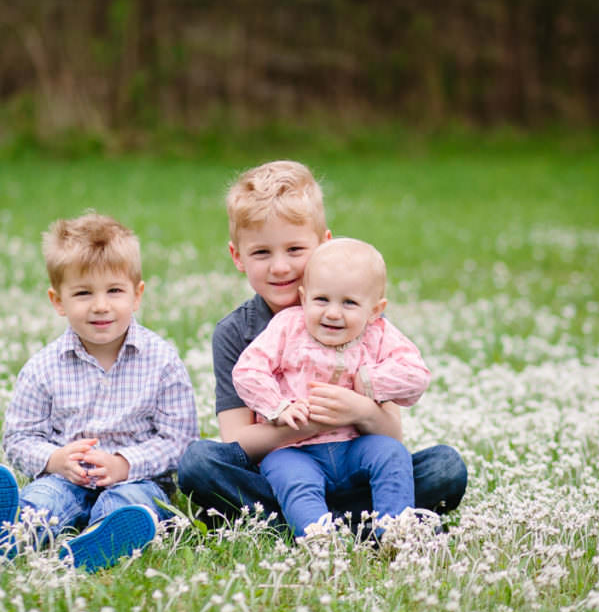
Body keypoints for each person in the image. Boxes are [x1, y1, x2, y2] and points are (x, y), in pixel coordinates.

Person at [177, 160, 467, 534]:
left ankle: (312, 521)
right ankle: (342, 519)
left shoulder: (359, 319)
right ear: (238, 257)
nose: (280, 267)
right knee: (199, 464)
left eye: (295, 249)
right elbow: (237, 443)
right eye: (262, 253)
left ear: (323, 245)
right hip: (280, 470)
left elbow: (391, 434)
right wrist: (301, 422)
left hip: (356, 466)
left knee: (445, 468)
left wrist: (358, 409)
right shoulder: (236, 332)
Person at [0, 212, 199, 572]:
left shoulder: (162, 361)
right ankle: (8, 535)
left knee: (128, 504)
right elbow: (19, 437)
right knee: (43, 500)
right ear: (58, 300)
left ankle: (102, 538)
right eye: (83, 293)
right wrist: (56, 460)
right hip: (66, 479)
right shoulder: (43, 367)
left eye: (114, 291)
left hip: (136, 480)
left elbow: (180, 440)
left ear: (137, 295)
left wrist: (124, 465)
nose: (101, 305)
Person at [233, 237, 431, 537]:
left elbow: (416, 375)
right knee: (294, 480)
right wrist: (278, 406)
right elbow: (249, 369)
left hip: (355, 447)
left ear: (375, 310)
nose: (333, 313)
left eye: (349, 303)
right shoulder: (288, 326)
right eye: (321, 300)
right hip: (294, 450)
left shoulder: (378, 333)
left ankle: (394, 531)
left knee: (393, 454)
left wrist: (368, 383)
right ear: (303, 297)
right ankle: (319, 537)